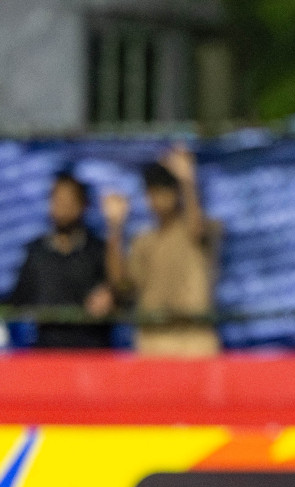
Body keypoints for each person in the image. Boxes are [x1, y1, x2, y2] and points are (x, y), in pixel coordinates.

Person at [104, 147, 222, 357]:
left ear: (176, 192)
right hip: (153, 340)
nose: (158, 198)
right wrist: (115, 227)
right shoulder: (143, 241)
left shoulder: (199, 229)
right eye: (152, 192)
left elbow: (196, 228)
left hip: (194, 338)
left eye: (165, 190)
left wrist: (187, 180)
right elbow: (121, 285)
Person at [8, 171, 114, 348]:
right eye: (57, 200)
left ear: (83, 205)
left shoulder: (99, 251)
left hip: (92, 353)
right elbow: (17, 302)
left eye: (69, 201)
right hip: (46, 353)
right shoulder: (36, 252)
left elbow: (121, 290)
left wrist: (111, 295)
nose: (62, 208)